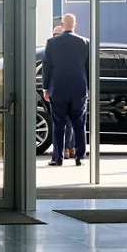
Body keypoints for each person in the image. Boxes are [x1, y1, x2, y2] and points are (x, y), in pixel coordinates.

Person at [43, 13, 90, 167]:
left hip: (58, 90)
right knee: (79, 124)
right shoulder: (85, 43)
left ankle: (57, 157)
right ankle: (79, 157)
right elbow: (89, 68)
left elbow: (47, 67)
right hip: (79, 90)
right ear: (74, 25)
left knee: (58, 124)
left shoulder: (51, 42)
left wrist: (46, 88)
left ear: (62, 25)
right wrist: (88, 88)